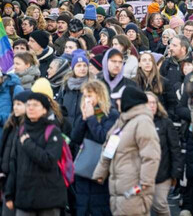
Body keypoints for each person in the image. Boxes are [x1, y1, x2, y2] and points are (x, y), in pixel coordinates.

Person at [93, 85, 161, 216]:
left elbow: (151, 155)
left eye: (119, 99)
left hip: (134, 189)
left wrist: (145, 183)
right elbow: (109, 147)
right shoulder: (122, 121)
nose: (117, 102)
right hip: (119, 188)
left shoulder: (142, 121)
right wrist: (100, 172)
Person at [5, 92, 67, 215]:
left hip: (48, 199)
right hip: (25, 198)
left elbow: (49, 161)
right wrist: (9, 194)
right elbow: (14, 164)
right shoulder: (21, 130)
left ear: (44, 110)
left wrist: (28, 144)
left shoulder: (53, 131)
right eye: (28, 105)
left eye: (36, 105)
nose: (31, 108)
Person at [71, 80, 119, 216]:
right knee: (82, 205)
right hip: (84, 166)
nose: (87, 100)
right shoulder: (85, 114)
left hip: (101, 168)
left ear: (100, 95)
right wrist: (84, 119)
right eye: (85, 96)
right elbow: (75, 138)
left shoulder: (111, 115)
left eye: (90, 96)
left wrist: (92, 118)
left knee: (99, 206)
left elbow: (103, 138)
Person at [146, 92, 183, 216]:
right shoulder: (136, 123)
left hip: (163, 173)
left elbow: (175, 148)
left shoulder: (165, 123)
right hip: (142, 174)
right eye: (148, 103)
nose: (151, 105)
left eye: (153, 102)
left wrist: (176, 173)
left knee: (159, 204)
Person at [0, 90, 29, 216]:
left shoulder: (29, 126)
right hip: (6, 177)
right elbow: (3, 148)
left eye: (19, 104)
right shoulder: (11, 124)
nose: (15, 107)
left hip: (22, 178)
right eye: (15, 104)